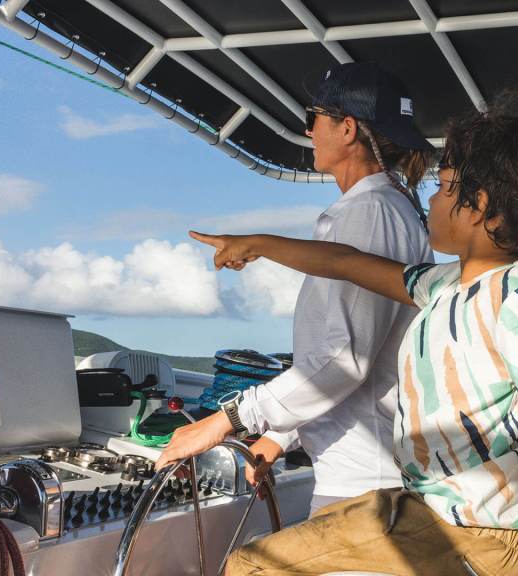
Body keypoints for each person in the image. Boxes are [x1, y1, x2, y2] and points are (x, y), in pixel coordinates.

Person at [169, 104, 518, 576]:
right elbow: (345, 262)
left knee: (250, 565)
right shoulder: (444, 285)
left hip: (480, 536)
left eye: (443, 187)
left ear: (479, 206)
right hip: (429, 512)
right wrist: (255, 244)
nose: (429, 200)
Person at [159, 62, 435, 515]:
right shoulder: (380, 210)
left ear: (347, 128)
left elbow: (345, 359)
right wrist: (279, 436)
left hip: (364, 485)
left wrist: (227, 420)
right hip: (358, 473)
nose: (308, 132)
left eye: (313, 118)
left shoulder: (369, 213)